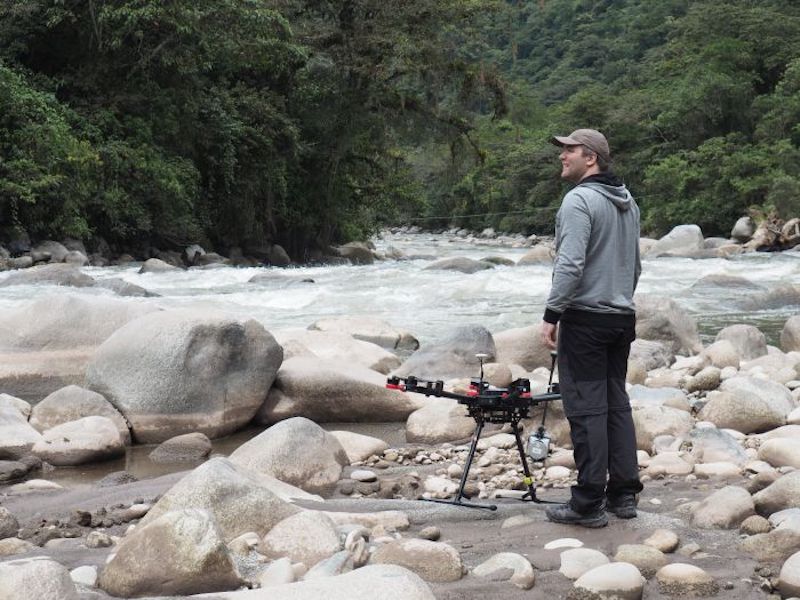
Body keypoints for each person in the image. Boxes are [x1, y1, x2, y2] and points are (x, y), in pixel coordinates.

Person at [540, 128, 643, 528]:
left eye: (570, 150)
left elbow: (570, 264)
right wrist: (618, 299)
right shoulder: (627, 200)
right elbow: (635, 265)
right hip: (621, 318)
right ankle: (623, 494)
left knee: (586, 408)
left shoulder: (578, 200)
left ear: (592, 158)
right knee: (616, 403)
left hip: (585, 319)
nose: (562, 156)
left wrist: (552, 313)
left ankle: (586, 503)